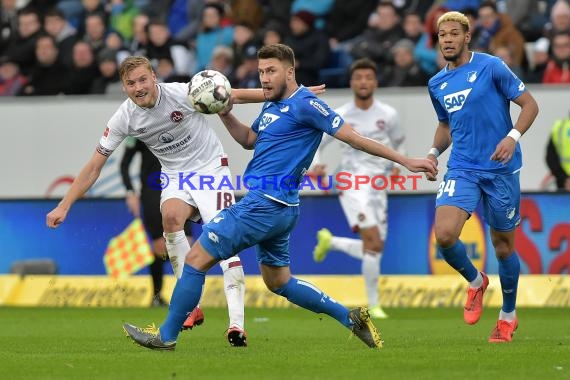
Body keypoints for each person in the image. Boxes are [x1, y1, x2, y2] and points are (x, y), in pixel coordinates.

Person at [122, 43, 437, 350]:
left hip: (264, 205)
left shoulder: (306, 104)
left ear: (290, 71)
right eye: (261, 71)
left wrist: (406, 161)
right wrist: (224, 112)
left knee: (194, 260)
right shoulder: (271, 105)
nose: (264, 78)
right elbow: (249, 140)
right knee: (279, 281)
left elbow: (353, 138)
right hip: (281, 209)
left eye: (271, 71)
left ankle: (166, 336)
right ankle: (350, 317)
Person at [46, 55, 275, 346]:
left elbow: (233, 95)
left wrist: (283, 94)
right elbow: (94, 166)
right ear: (124, 86)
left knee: (223, 241)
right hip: (175, 175)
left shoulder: (180, 93)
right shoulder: (124, 117)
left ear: (154, 77)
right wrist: (64, 205)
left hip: (210, 170)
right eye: (131, 83)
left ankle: (237, 324)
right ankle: (190, 306)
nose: (138, 87)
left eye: (143, 79)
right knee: (170, 220)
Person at [425, 11, 539, 343]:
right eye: (441, 35)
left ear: (467, 36)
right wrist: (433, 153)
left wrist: (512, 137)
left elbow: (530, 104)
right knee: (445, 236)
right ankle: (476, 281)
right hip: (462, 166)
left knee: (503, 248)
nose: (446, 39)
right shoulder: (437, 83)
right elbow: (446, 124)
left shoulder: (491, 67)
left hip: (501, 168)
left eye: (452, 34)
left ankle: (507, 315)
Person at [311, 58, 406, 320]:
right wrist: (317, 165)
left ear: (375, 82)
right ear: (352, 82)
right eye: (358, 77)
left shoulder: (388, 115)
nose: (363, 81)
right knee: (373, 242)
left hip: (378, 185)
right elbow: (318, 145)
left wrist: (398, 164)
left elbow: (399, 144)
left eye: (368, 77)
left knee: (374, 247)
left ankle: (333, 242)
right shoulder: (341, 114)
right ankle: (374, 305)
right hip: (352, 183)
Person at [119, 137, 193, 307]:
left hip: (179, 189)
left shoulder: (178, 121)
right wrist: (130, 192)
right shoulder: (138, 129)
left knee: (187, 244)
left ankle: (186, 297)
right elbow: (124, 164)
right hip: (152, 193)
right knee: (161, 247)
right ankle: (157, 295)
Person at [545, 111, 570, 191]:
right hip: (564, 184)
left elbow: (550, 158)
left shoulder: (560, 127)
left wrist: (564, 178)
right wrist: (565, 179)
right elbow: (551, 157)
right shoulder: (560, 128)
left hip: (564, 182)